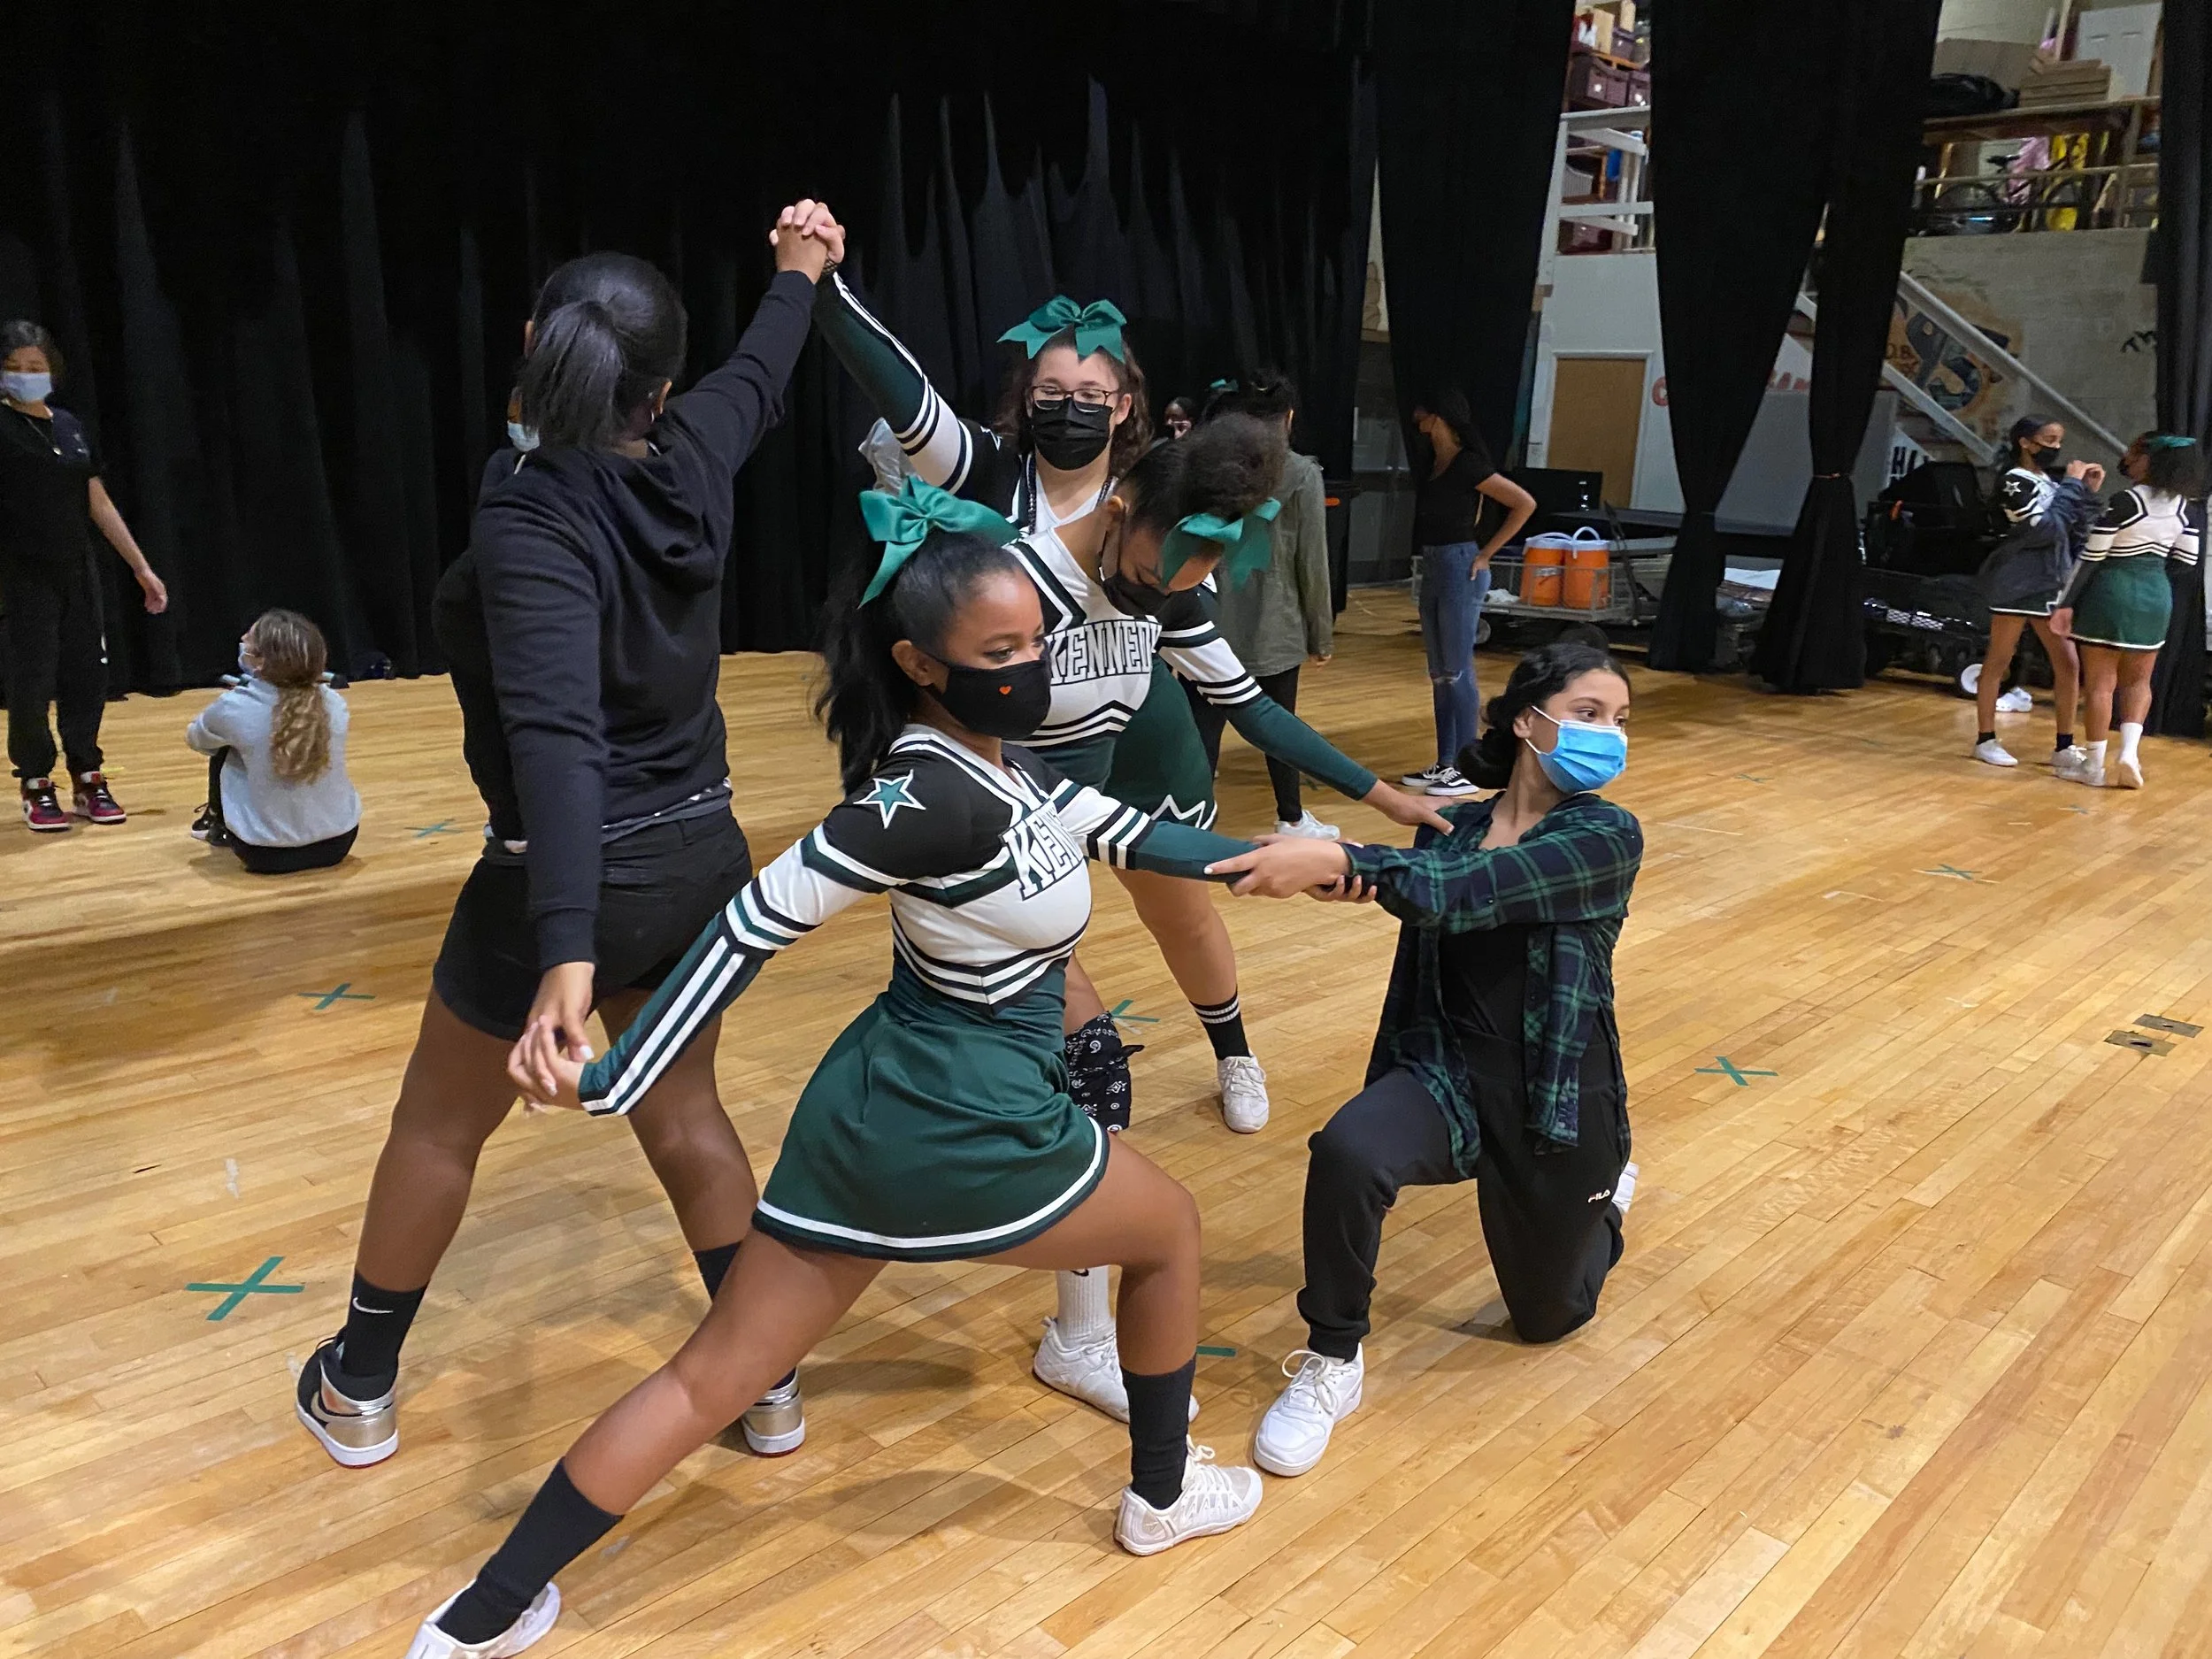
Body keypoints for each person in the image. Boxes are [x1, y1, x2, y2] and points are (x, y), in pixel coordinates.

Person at [400, 488, 1269, 1658]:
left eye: (1036, 641)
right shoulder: (919, 798)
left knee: (712, 1376)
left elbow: (1121, 827)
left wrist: (1302, 859)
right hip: (970, 1116)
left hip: (871, 1110)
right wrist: (614, 1080)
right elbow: (749, 923)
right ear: (920, 663)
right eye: (1001, 652)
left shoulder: (997, 765)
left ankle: (482, 1614)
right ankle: (1160, 1497)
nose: (1031, 665)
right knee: (1169, 1230)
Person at [811, 266, 1441, 1425]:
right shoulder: (1014, 566)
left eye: (1093, 392)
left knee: (971, 1077)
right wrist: (817, 280)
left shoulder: (1156, 572)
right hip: (986, 818)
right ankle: (1049, 1329)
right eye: (1050, 388)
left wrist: (1377, 798)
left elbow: (1248, 708)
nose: (1071, 406)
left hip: (1056, 814)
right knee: (1054, 1067)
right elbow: (904, 399)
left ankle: (804, 1311)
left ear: (1130, 415)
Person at [292, 204, 841, 1476]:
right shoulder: (691, 455)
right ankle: (765, 1384)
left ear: (536, 342)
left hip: (570, 878)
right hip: (700, 860)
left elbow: (557, 741)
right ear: (661, 391)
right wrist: (799, 270)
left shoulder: (532, 520)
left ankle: (357, 1387)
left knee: (438, 1128)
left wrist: (566, 954)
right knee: (685, 1112)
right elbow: (761, 374)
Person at [1205, 641, 1640, 1478]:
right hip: (1446, 1071)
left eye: (1620, 720)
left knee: (1548, 1318)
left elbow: (1476, 891)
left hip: (1555, 1096)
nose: (1610, 735)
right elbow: (1426, 882)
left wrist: (1345, 857)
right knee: (1348, 1150)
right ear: (1528, 722)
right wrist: (1353, 876)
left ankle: (1605, 1206)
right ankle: (1333, 1355)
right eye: (1589, 713)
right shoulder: (1458, 824)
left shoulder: (1605, 834)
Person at [0, 319, 168, 831]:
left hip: (77, 571)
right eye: (14, 367)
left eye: (35, 366)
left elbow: (98, 501)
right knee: (31, 679)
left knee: (87, 674)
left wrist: (141, 567)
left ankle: (87, 775)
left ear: (52, 370)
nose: (26, 375)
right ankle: (36, 780)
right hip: (21, 574)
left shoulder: (70, 426)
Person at [1185, 369, 1340, 839]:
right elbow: (1312, 560)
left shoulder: (1207, 465)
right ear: (1288, 417)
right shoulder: (1301, 473)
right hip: (1276, 623)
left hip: (1208, 619)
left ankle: (1193, 824)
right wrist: (1321, 634)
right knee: (1279, 726)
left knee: (1203, 728)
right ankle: (1291, 818)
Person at [2051, 432, 2207, 788]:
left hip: (2112, 591)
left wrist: (2065, 603)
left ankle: (2093, 766)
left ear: (2151, 461)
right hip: (2156, 596)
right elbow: (2187, 561)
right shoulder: (2186, 507)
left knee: (2101, 684)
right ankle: (2129, 755)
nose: (2128, 461)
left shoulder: (2126, 501)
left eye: (2135, 455)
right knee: (2139, 681)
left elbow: (2092, 556)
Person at [1402, 389, 1535, 799]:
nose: (1416, 416)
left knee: (1457, 670)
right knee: (1440, 672)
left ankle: (1466, 765)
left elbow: (1523, 503)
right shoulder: (1434, 463)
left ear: (1438, 416)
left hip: (1461, 564)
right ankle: (1446, 762)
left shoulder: (1468, 464)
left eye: (1422, 410)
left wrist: (1486, 553)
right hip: (1434, 564)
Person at [1970, 415, 2100, 772]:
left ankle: (2064, 745)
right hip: (2018, 582)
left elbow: (2076, 531)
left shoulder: (2051, 482)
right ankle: (1985, 738)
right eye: (2049, 440)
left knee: (2068, 664)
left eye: (2059, 441)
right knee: (1999, 659)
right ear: (2025, 442)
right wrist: (2071, 487)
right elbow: (2044, 530)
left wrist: (2086, 492)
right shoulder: (2013, 481)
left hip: (2052, 582)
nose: (2056, 448)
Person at [186, 609, 360, 872]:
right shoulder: (335, 702)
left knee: (223, 745)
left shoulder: (234, 706)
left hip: (265, 852)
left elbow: (197, 740)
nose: (243, 639)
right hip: (339, 842)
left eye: (249, 639)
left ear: (261, 662)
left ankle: (216, 823)